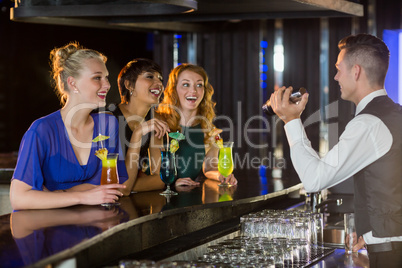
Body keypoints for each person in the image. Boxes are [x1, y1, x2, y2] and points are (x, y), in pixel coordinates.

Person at [270, 33, 401, 267]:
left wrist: (291, 121)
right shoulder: (395, 113)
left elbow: (314, 179)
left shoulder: (367, 124)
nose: (335, 76)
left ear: (357, 71)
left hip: (391, 253)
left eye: (339, 69)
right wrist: (372, 236)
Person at [10, 42, 134, 210]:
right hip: (51, 229)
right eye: (97, 78)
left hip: (96, 226)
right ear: (73, 83)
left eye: (106, 77)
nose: (107, 84)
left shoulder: (108, 124)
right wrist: (82, 195)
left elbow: (113, 187)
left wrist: (55, 195)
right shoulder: (42, 130)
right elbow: (19, 198)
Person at [155, 64, 237, 188]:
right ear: (174, 89)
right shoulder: (159, 122)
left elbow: (210, 167)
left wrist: (220, 175)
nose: (193, 91)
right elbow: (150, 171)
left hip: (188, 198)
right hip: (155, 198)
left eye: (199, 85)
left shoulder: (209, 130)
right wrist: (170, 183)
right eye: (186, 84)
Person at [109, 58, 169, 192]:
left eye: (160, 79)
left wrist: (128, 185)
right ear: (129, 84)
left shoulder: (155, 119)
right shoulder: (109, 119)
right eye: (149, 77)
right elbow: (119, 187)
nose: (159, 83)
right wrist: (137, 133)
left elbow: (161, 179)